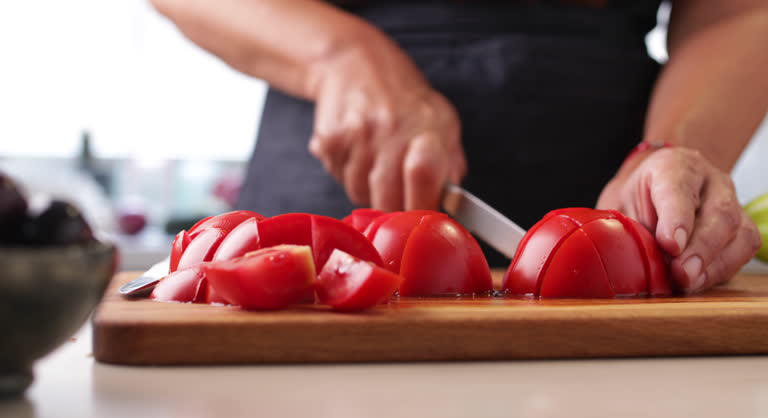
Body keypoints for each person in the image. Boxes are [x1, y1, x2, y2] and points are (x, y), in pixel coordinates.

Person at [150, 0, 767, 293]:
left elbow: (735, 12)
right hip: (325, 195)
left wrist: (670, 150)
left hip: (619, 210)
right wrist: (339, 55)